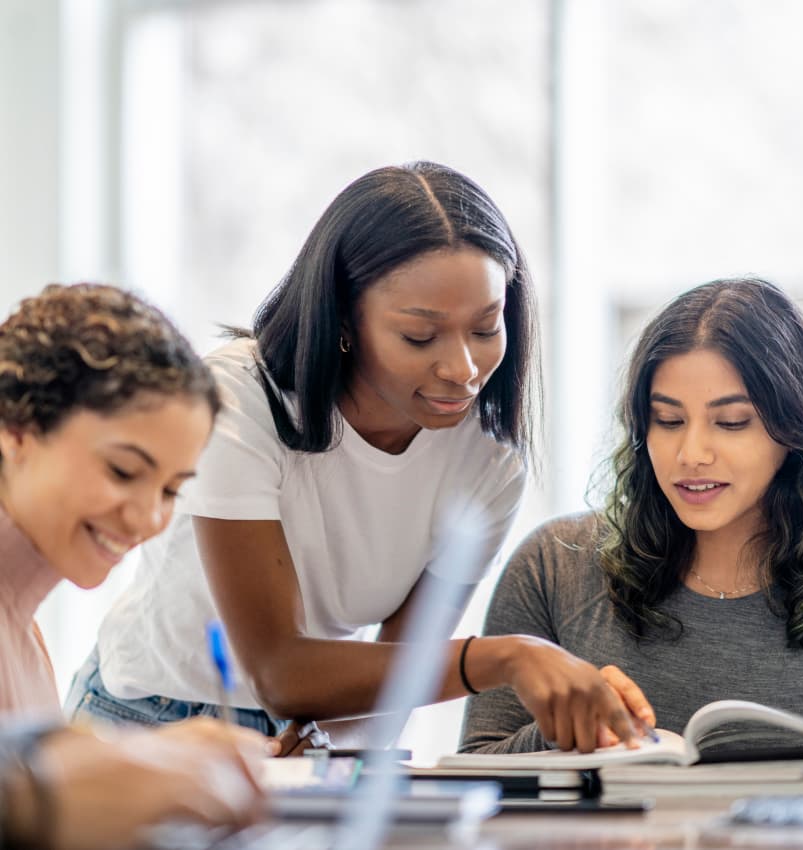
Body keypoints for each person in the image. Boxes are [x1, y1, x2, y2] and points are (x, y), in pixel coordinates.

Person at [66, 161, 653, 755]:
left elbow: (398, 673)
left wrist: (332, 748)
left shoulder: (488, 462)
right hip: (148, 721)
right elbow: (278, 669)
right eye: (420, 337)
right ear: (345, 320)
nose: (463, 369)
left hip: (311, 736)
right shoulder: (244, 401)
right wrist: (507, 656)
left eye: (485, 327)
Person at [460, 277, 803, 760]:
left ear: (797, 428)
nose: (690, 454)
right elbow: (473, 779)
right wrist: (572, 727)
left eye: (732, 422)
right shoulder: (554, 566)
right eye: (668, 421)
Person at [0, 284, 271, 849]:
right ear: (17, 432)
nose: (149, 517)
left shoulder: (23, 629)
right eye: (124, 471)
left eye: (172, 489)